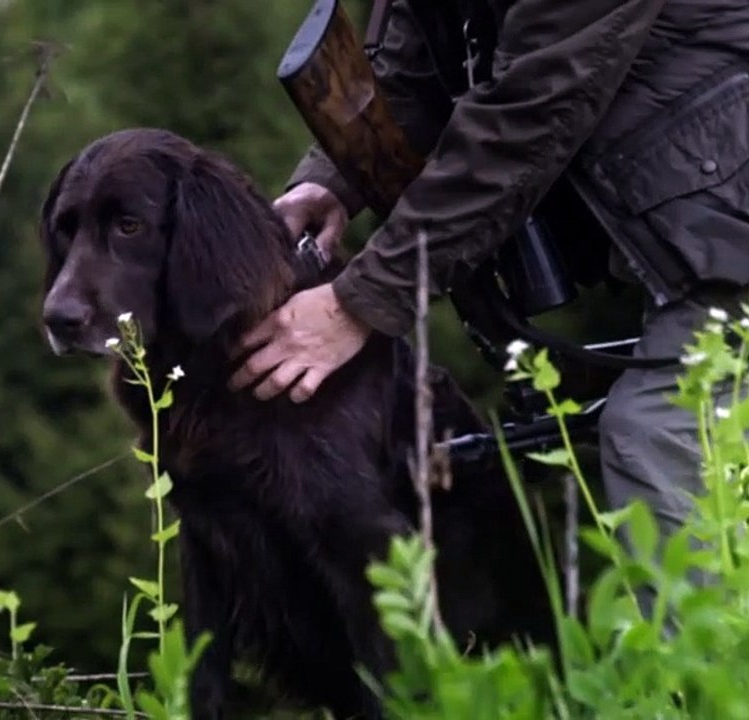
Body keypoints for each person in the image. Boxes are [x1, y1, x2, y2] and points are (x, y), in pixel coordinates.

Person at [232, 0, 749, 551]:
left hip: (727, 231)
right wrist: (332, 181)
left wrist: (359, 301)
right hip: (708, 228)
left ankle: (705, 613)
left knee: (662, 432)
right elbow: (416, 62)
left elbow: (532, 111)